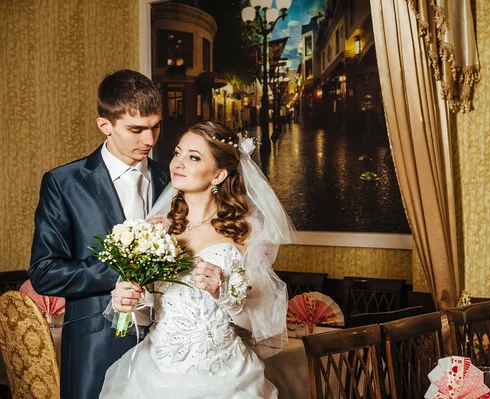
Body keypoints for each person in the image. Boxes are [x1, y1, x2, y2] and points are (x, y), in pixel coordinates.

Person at [100, 121, 293, 398]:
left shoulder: (245, 232)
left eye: (194, 157)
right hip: (154, 373)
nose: (178, 163)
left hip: (224, 375)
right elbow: (144, 318)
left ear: (218, 175)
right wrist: (130, 301)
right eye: (178, 153)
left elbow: (260, 323)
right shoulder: (156, 230)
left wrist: (224, 292)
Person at [28, 69, 170, 398]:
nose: (149, 140)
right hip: (97, 347)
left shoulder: (173, 180)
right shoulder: (64, 183)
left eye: (155, 126)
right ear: (104, 125)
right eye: (136, 129)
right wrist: (121, 269)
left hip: (169, 346)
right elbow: (44, 273)